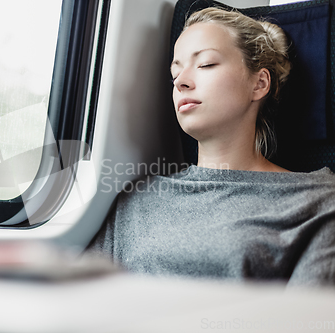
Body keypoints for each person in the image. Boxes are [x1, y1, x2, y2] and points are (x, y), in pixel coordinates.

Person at [88, 7, 335, 286]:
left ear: (259, 83)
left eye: (205, 64)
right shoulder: (136, 201)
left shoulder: (317, 202)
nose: (181, 82)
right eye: (175, 73)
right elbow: (81, 298)